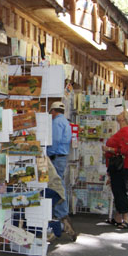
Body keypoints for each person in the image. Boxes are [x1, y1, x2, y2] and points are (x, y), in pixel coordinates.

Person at [103, 108, 128, 229]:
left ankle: (126, 219)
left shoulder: (125, 131)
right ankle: (118, 217)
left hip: (121, 165)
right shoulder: (125, 130)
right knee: (118, 190)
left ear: (124, 118)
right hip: (121, 165)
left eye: (121, 113)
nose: (118, 114)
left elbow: (126, 150)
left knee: (120, 191)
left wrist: (109, 149)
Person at [45, 101, 75, 241]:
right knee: (59, 184)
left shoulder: (56, 122)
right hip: (62, 157)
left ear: (53, 111)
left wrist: (46, 153)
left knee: (56, 185)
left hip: (55, 157)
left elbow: (54, 141)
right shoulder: (66, 122)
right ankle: (62, 215)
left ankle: (61, 215)